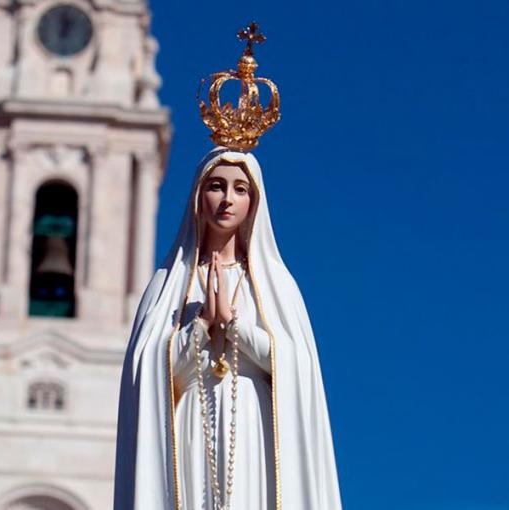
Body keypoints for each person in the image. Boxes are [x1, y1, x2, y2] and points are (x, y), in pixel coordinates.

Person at [113, 23, 342, 510]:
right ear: (198, 197)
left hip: (255, 437)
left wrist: (235, 329)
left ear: (254, 204)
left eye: (239, 190)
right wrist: (198, 331)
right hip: (190, 434)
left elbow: (297, 371)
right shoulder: (168, 285)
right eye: (216, 186)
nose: (226, 199)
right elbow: (147, 377)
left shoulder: (275, 285)